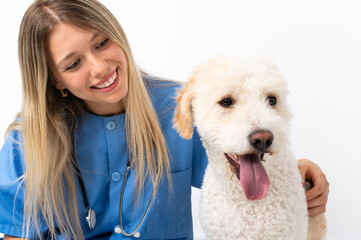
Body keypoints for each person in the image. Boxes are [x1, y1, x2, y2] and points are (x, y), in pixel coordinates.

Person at [0, 0, 329, 239]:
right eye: (73, 64)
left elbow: (237, 161)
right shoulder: (25, 143)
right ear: (55, 80)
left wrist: (297, 169)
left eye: (102, 43)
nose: (99, 67)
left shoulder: (183, 105)